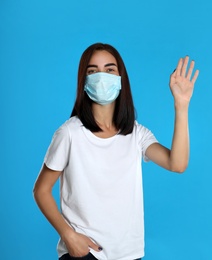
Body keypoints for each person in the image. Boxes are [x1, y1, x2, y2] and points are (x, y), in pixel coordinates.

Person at [33, 43, 199, 260]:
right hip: (85, 252)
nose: (102, 77)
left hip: (129, 254)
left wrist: (181, 105)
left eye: (110, 70)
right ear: (83, 80)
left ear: (121, 78)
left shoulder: (136, 134)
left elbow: (177, 164)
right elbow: (41, 190)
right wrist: (68, 235)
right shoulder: (69, 133)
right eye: (93, 71)